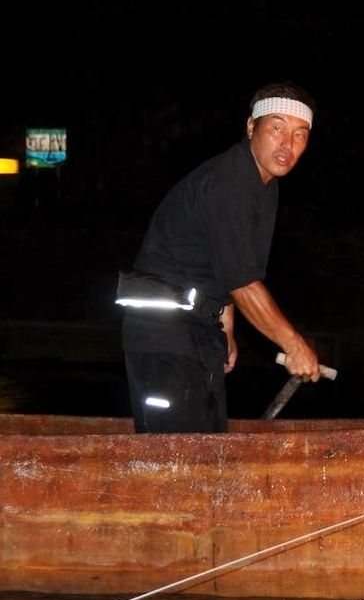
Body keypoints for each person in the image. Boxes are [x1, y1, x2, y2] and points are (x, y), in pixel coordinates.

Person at [118, 82, 321, 433]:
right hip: (163, 333)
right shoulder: (229, 182)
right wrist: (293, 345)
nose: (287, 144)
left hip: (199, 328)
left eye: (299, 134)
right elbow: (243, 282)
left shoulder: (264, 185)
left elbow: (224, 264)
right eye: (277, 128)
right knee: (176, 452)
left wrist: (226, 330)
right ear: (251, 127)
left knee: (210, 444)